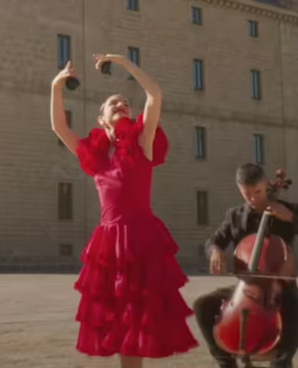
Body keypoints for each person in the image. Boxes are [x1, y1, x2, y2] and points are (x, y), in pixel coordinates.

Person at [51, 56, 197, 367]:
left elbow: (154, 95)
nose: (121, 105)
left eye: (125, 103)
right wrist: (56, 86)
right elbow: (59, 126)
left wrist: (124, 63)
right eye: (113, 103)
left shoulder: (143, 142)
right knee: (120, 322)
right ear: (101, 118)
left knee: (138, 320)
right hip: (109, 245)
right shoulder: (95, 157)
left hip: (142, 240)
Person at [193, 163, 298, 368]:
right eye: (247, 194)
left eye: (257, 192)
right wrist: (215, 251)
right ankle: (225, 363)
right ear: (240, 190)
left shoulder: (288, 211)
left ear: (266, 185)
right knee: (202, 305)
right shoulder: (235, 216)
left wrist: (291, 218)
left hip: (281, 288)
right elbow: (212, 242)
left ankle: (281, 363)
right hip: (244, 288)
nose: (253, 198)